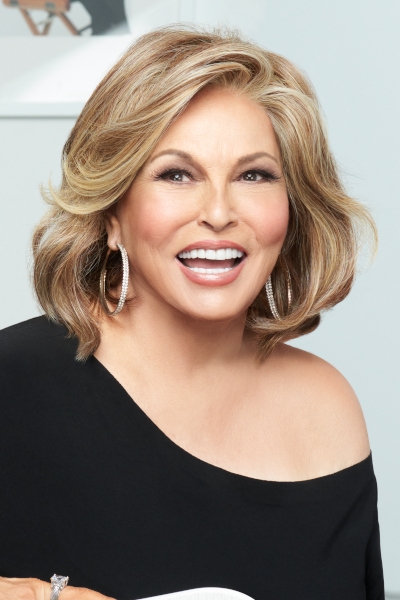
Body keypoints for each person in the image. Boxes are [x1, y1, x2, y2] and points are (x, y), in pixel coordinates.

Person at [0, 25, 384, 600]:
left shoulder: (325, 407)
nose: (220, 212)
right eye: (176, 174)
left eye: (254, 175)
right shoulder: (12, 385)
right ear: (111, 213)